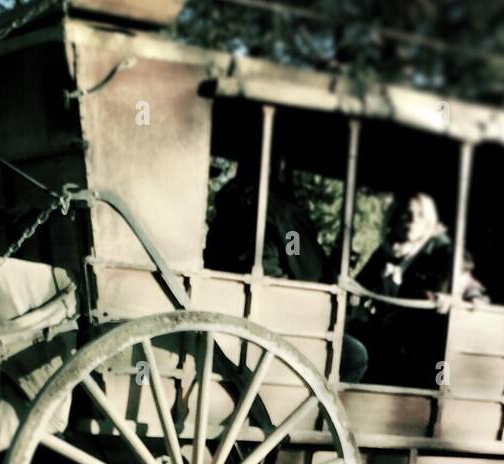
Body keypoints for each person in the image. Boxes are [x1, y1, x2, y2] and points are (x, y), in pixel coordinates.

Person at [343, 192, 484, 385]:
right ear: (394, 217)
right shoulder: (388, 250)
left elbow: (470, 287)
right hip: (387, 337)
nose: (412, 220)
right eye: (406, 213)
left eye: (420, 216)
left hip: (421, 346)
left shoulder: (440, 250)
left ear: (428, 222)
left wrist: (456, 299)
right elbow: (358, 287)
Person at [204, 153, 328, 283]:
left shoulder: (228, 208)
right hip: (270, 294)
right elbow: (307, 269)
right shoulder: (284, 215)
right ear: (280, 167)